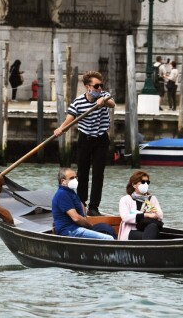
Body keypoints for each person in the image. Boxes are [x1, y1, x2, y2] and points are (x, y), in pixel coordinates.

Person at [54, 70, 115, 217]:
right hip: (85, 140)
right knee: (82, 174)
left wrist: (104, 101)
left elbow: (112, 103)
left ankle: (94, 208)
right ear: (88, 87)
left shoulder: (104, 95)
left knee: (98, 174)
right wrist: (60, 129)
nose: (99, 88)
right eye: (96, 86)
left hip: (101, 139)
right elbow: (70, 119)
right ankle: (81, 205)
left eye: (101, 85)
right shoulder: (78, 102)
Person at [52, 167, 115, 240]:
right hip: (70, 230)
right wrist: (90, 227)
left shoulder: (71, 192)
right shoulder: (62, 194)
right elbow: (76, 218)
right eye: (72, 178)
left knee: (108, 230)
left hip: (77, 228)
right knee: (108, 238)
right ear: (63, 181)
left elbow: (82, 207)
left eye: (75, 177)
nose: (75, 180)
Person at [118, 170, 164, 240]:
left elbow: (160, 215)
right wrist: (146, 215)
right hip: (130, 231)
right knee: (151, 235)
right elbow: (126, 217)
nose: (145, 184)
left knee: (153, 227)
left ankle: (147, 247)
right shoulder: (125, 199)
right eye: (142, 182)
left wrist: (153, 212)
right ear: (134, 185)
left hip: (147, 228)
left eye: (147, 182)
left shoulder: (152, 199)